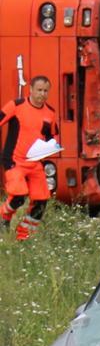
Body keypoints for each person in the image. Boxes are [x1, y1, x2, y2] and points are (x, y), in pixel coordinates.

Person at [0, 76, 57, 240]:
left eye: (46, 91)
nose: (42, 94)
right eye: (39, 90)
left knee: (41, 201)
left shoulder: (50, 113)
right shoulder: (16, 106)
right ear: (30, 89)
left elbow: (51, 138)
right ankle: (4, 216)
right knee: (18, 195)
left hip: (34, 162)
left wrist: (52, 146)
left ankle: (23, 237)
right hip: (14, 160)